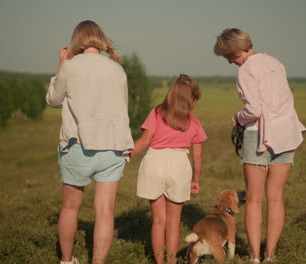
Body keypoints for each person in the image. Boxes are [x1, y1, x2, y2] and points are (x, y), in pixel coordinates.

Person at [214, 28, 306, 263]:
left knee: (254, 199)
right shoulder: (275, 62)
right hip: (286, 133)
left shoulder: (246, 69)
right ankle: (270, 255)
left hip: (259, 135)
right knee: (276, 198)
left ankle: (254, 257)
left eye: (228, 56)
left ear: (235, 51)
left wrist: (238, 117)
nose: (228, 61)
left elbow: (254, 110)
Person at [46, 20, 134, 264]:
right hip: (113, 147)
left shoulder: (71, 67)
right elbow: (122, 109)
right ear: (100, 39)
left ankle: (66, 260)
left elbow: (54, 99)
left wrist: (61, 64)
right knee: (105, 211)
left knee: (70, 208)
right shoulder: (118, 70)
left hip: (78, 146)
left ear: (77, 41)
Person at [130, 74, 207, 264]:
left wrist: (125, 154)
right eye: (195, 99)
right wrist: (195, 180)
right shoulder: (194, 123)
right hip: (179, 167)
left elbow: (144, 141)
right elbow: (197, 157)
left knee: (158, 222)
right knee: (173, 223)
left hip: (154, 163)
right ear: (190, 100)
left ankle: (159, 262)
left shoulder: (156, 113)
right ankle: (172, 262)